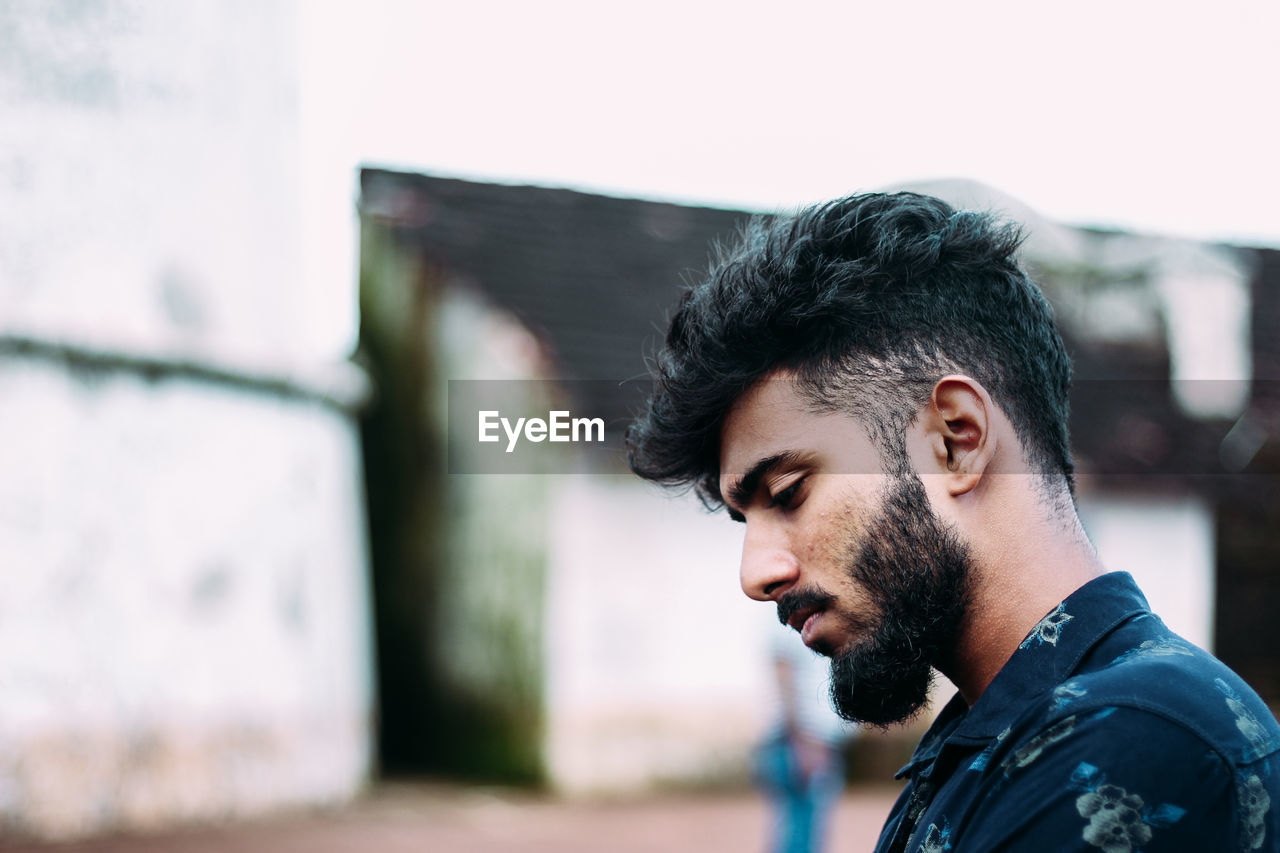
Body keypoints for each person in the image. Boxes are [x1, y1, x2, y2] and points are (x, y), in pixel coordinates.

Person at [626, 192, 1280, 852]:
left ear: (956, 440)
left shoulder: (1129, 746)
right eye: (744, 518)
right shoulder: (1002, 740)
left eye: (789, 493)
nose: (756, 573)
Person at [755, 616, 853, 853]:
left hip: (806, 741)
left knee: (801, 829)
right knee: (801, 834)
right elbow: (784, 673)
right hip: (803, 743)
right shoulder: (790, 620)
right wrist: (801, 742)